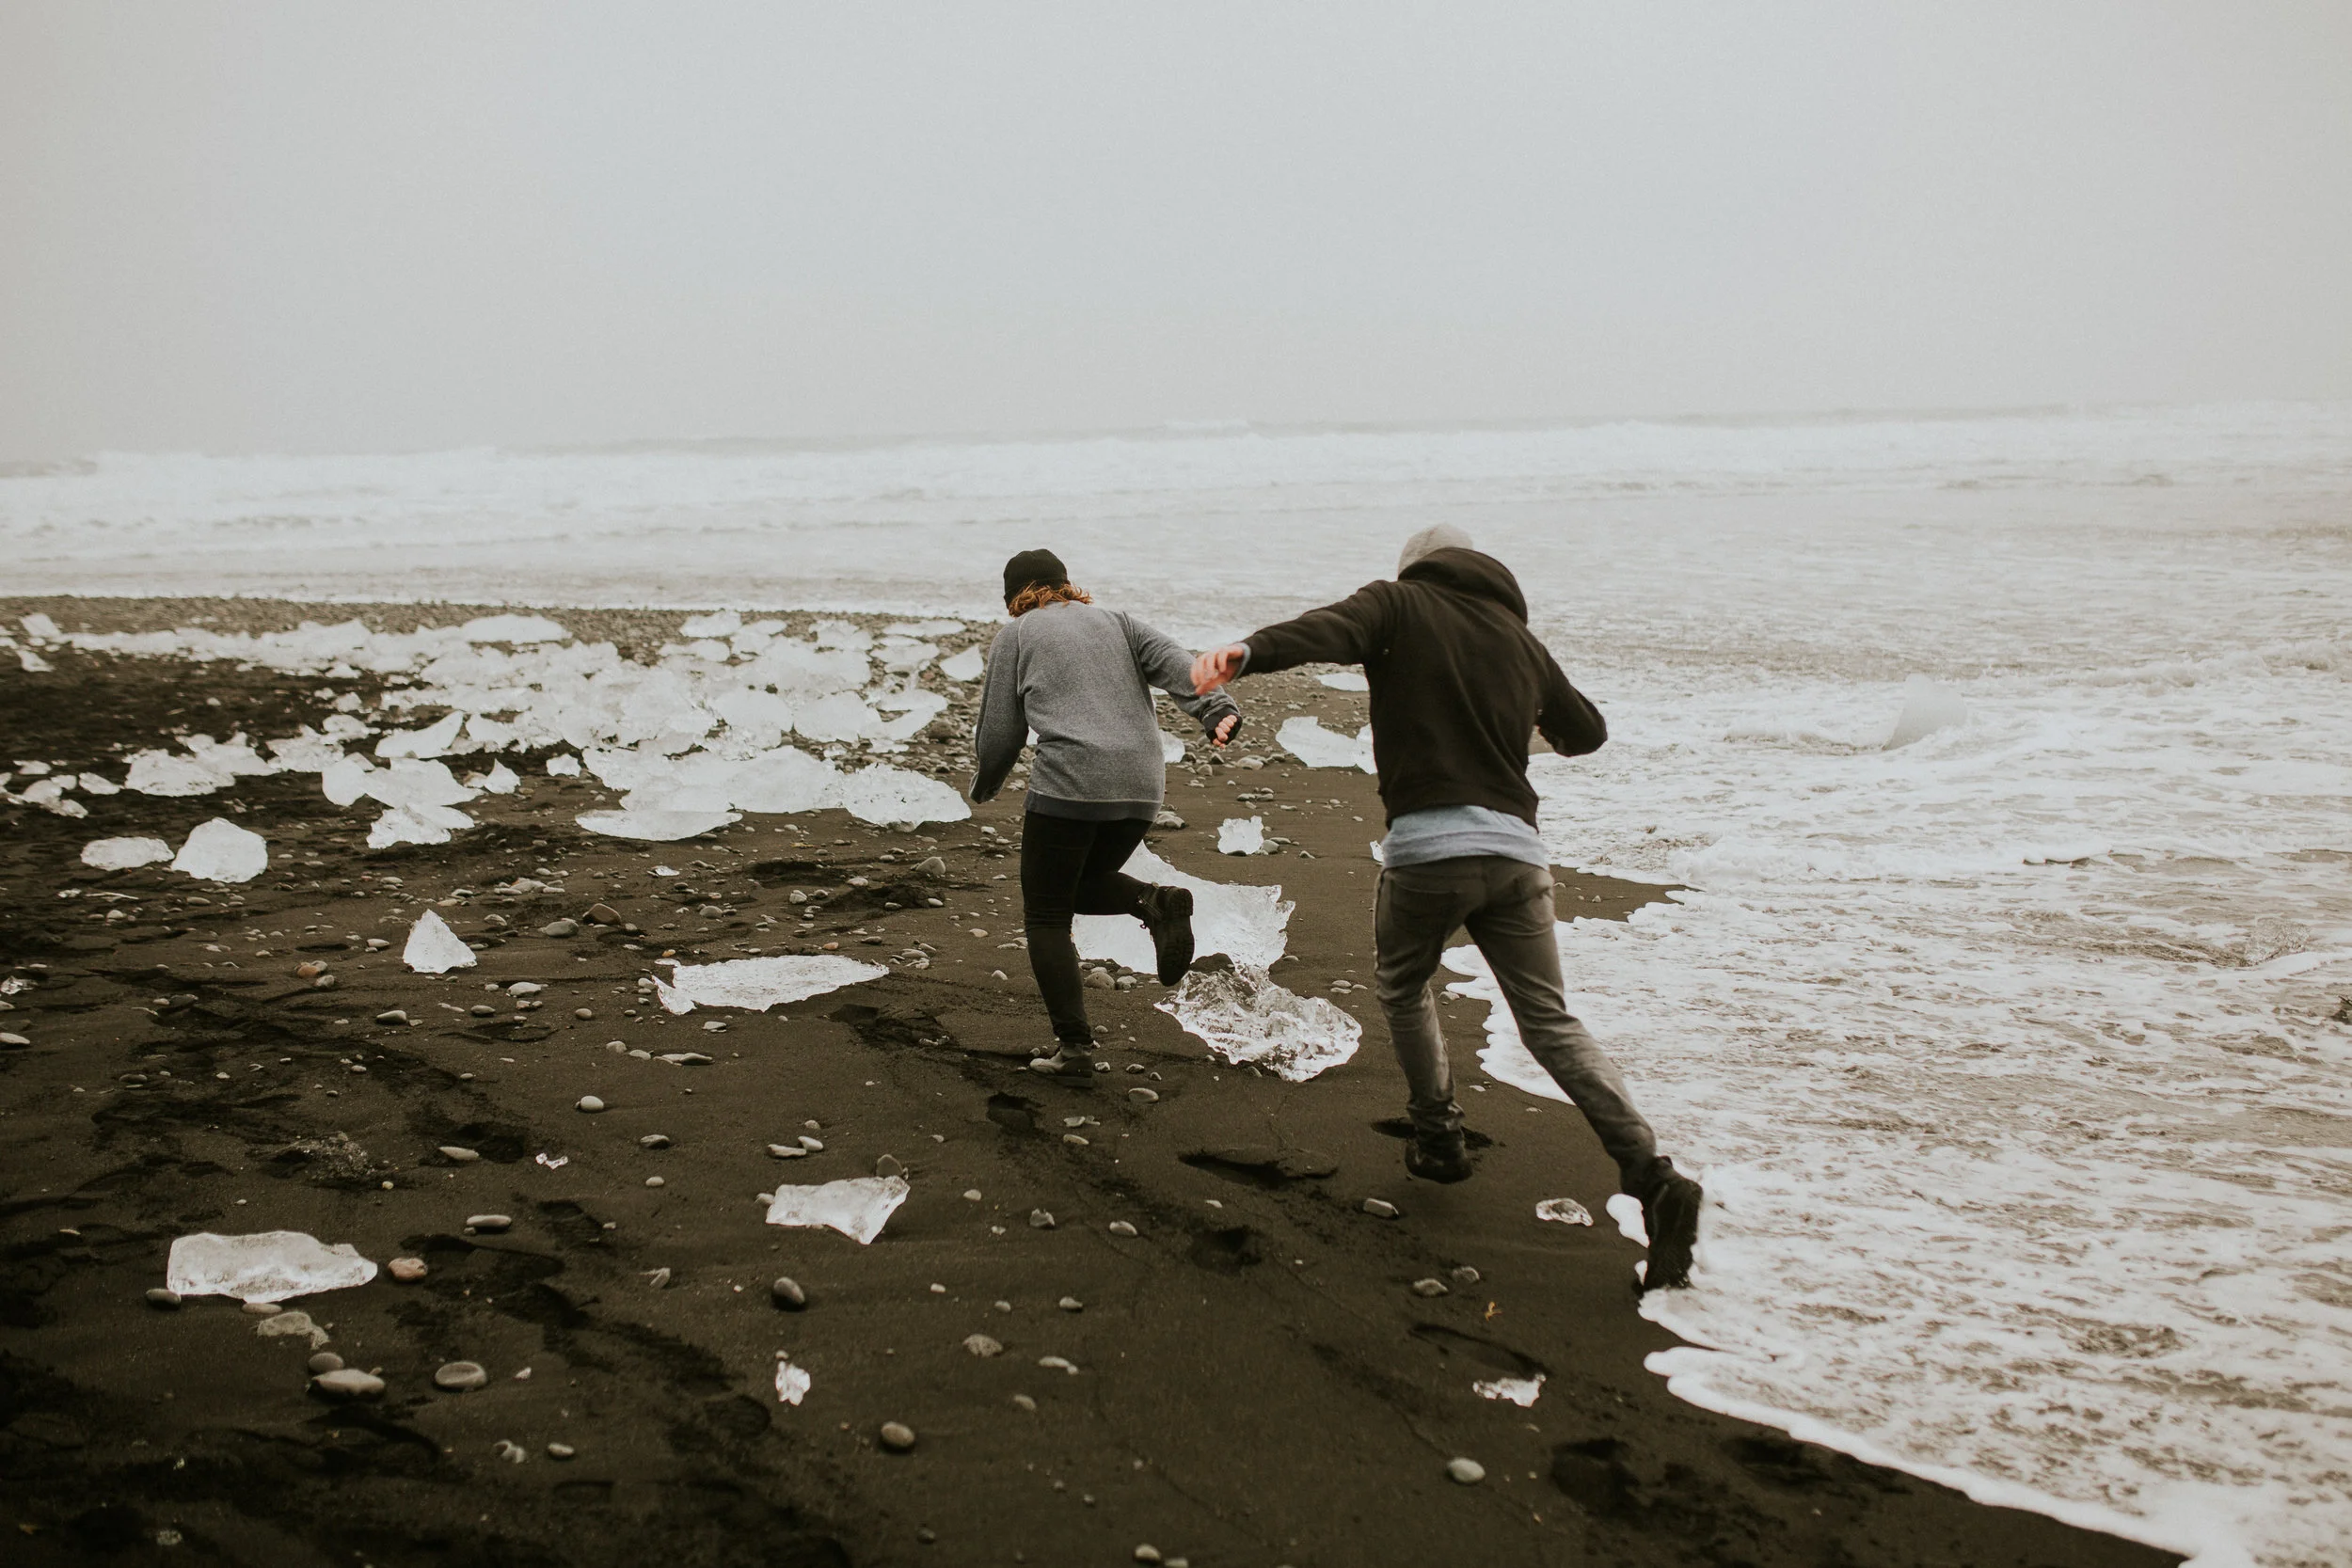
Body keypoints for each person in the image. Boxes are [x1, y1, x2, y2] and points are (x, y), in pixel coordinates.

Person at [1189, 525, 1704, 1291]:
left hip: (1430, 853)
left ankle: (1439, 1138)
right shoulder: (1517, 639)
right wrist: (1530, 728)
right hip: (1517, 858)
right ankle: (1652, 1172)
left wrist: (1250, 652)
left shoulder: (1399, 605)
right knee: (1550, 1020)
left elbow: (1333, 629)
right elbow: (1587, 731)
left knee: (1402, 984)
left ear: (1416, 568)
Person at [971, 548, 1243, 1084]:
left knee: (1046, 915)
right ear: (1066, 585)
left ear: (1015, 597)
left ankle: (1074, 1051)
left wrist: (985, 784)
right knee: (1080, 884)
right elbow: (1180, 665)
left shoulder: (1017, 635)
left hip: (1071, 783)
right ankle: (1155, 902)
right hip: (1142, 786)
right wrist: (1218, 710)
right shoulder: (1119, 623)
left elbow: (1002, 730)